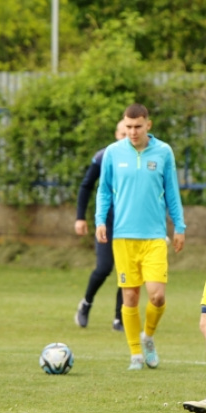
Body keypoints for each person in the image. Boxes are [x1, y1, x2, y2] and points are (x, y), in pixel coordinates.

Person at [95, 103, 185, 370]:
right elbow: (103, 191)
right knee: (130, 297)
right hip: (123, 236)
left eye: (137, 126)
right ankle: (135, 354)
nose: (132, 132)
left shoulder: (164, 152)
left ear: (148, 124)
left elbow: (172, 191)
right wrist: (100, 220)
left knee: (157, 296)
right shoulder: (113, 153)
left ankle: (148, 336)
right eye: (128, 127)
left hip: (155, 236)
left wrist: (179, 226)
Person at [74, 120, 126, 332]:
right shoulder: (103, 157)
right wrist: (80, 217)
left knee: (127, 272)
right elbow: (87, 186)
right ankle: (86, 303)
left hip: (130, 224)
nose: (126, 137)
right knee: (104, 268)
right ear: (116, 134)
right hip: (108, 222)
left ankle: (119, 318)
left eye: (130, 132)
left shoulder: (143, 159)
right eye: (123, 133)